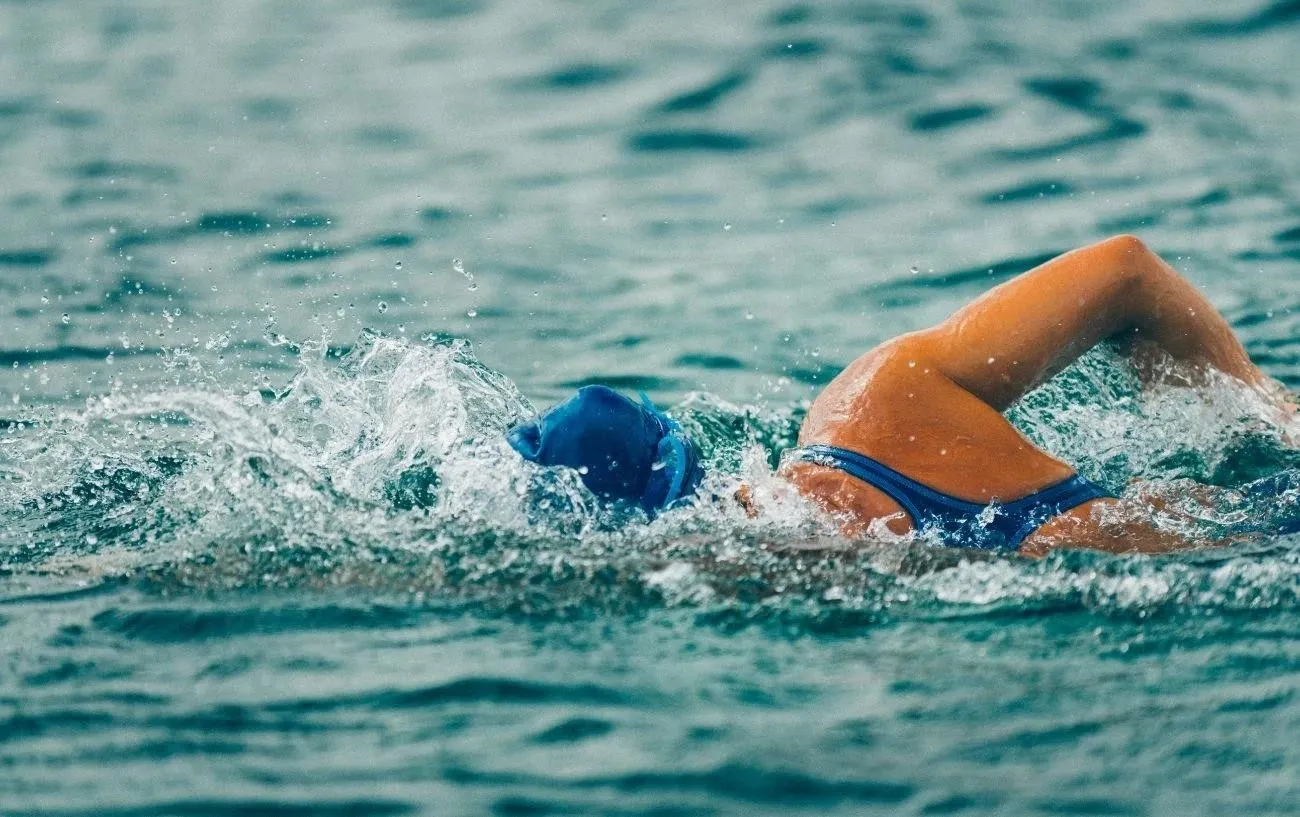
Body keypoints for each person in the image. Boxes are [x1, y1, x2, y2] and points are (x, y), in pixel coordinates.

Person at [507, 235, 1299, 556]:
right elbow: (1127, 272)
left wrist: (1266, 409)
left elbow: (1128, 270)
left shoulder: (879, 409)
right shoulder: (871, 402)